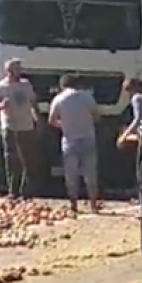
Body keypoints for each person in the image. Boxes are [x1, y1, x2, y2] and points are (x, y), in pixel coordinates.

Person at [0, 58, 42, 199]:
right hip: (10, 126)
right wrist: (1, 106)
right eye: (17, 68)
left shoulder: (26, 85)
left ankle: (27, 191)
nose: (20, 71)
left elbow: (33, 103)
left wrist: (38, 119)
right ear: (9, 71)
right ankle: (13, 191)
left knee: (29, 159)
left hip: (26, 126)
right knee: (12, 159)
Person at [49, 73, 102, 214]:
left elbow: (52, 120)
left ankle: (74, 204)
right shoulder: (87, 97)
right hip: (88, 138)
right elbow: (97, 116)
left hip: (69, 140)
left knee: (71, 173)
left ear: (62, 85)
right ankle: (93, 205)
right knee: (90, 173)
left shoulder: (59, 99)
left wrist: (64, 124)